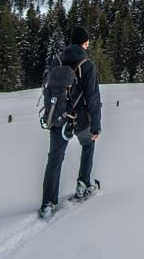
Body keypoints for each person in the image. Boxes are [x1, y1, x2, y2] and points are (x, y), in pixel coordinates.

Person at [40, 25, 103, 217]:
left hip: (58, 118)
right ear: (84, 42)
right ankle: (83, 185)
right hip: (80, 118)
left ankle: (48, 203)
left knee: (55, 159)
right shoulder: (87, 65)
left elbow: (47, 90)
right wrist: (96, 126)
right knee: (88, 145)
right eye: (88, 41)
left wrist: (50, 116)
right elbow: (92, 97)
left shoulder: (57, 60)